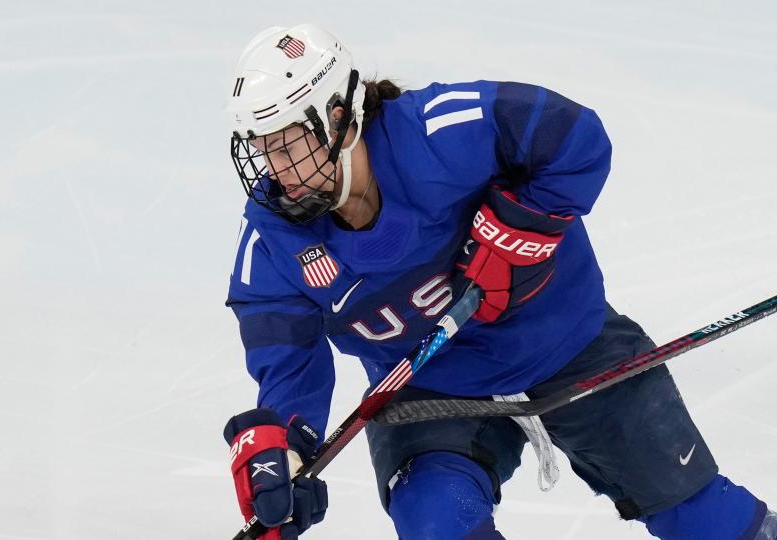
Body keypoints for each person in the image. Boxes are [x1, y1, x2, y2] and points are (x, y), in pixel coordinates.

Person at [220, 23, 775, 539]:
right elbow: (287, 367)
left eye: (286, 142)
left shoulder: (440, 130)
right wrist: (285, 451)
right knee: (437, 519)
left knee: (706, 518)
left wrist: (517, 232)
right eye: (261, 147)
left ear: (339, 117)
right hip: (432, 391)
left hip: (564, 342)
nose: (276, 169)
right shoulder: (273, 245)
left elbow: (576, 138)